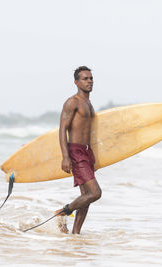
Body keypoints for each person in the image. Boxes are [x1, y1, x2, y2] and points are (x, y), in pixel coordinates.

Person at [55, 66, 102, 234]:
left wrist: (93, 154)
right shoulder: (72, 102)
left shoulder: (88, 103)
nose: (89, 81)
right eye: (85, 79)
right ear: (76, 82)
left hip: (86, 152)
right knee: (95, 193)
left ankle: (76, 234)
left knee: (86, 196)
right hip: (75, 151)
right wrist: (65, 156)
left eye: (90, 78)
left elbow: (90, 131)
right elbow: (62, 130)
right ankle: (63, 212)